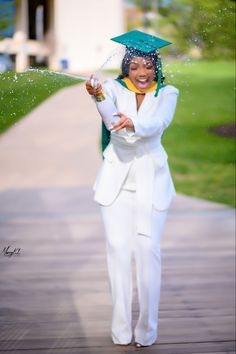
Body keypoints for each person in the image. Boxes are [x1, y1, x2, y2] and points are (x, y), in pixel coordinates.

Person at [85, 30, 179, 348]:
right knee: (118, 251)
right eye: (135, 66)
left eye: (148, 66)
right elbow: (108, 114)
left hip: (152, 184)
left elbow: (159, 124)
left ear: (156, 67)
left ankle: (147, 330)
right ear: (127, 66)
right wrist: (97, 95)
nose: (142, 73)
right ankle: (121, 329)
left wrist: (135, 123)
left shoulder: (167, 94)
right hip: (115, 185)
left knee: (148, 254)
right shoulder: (112, 88)